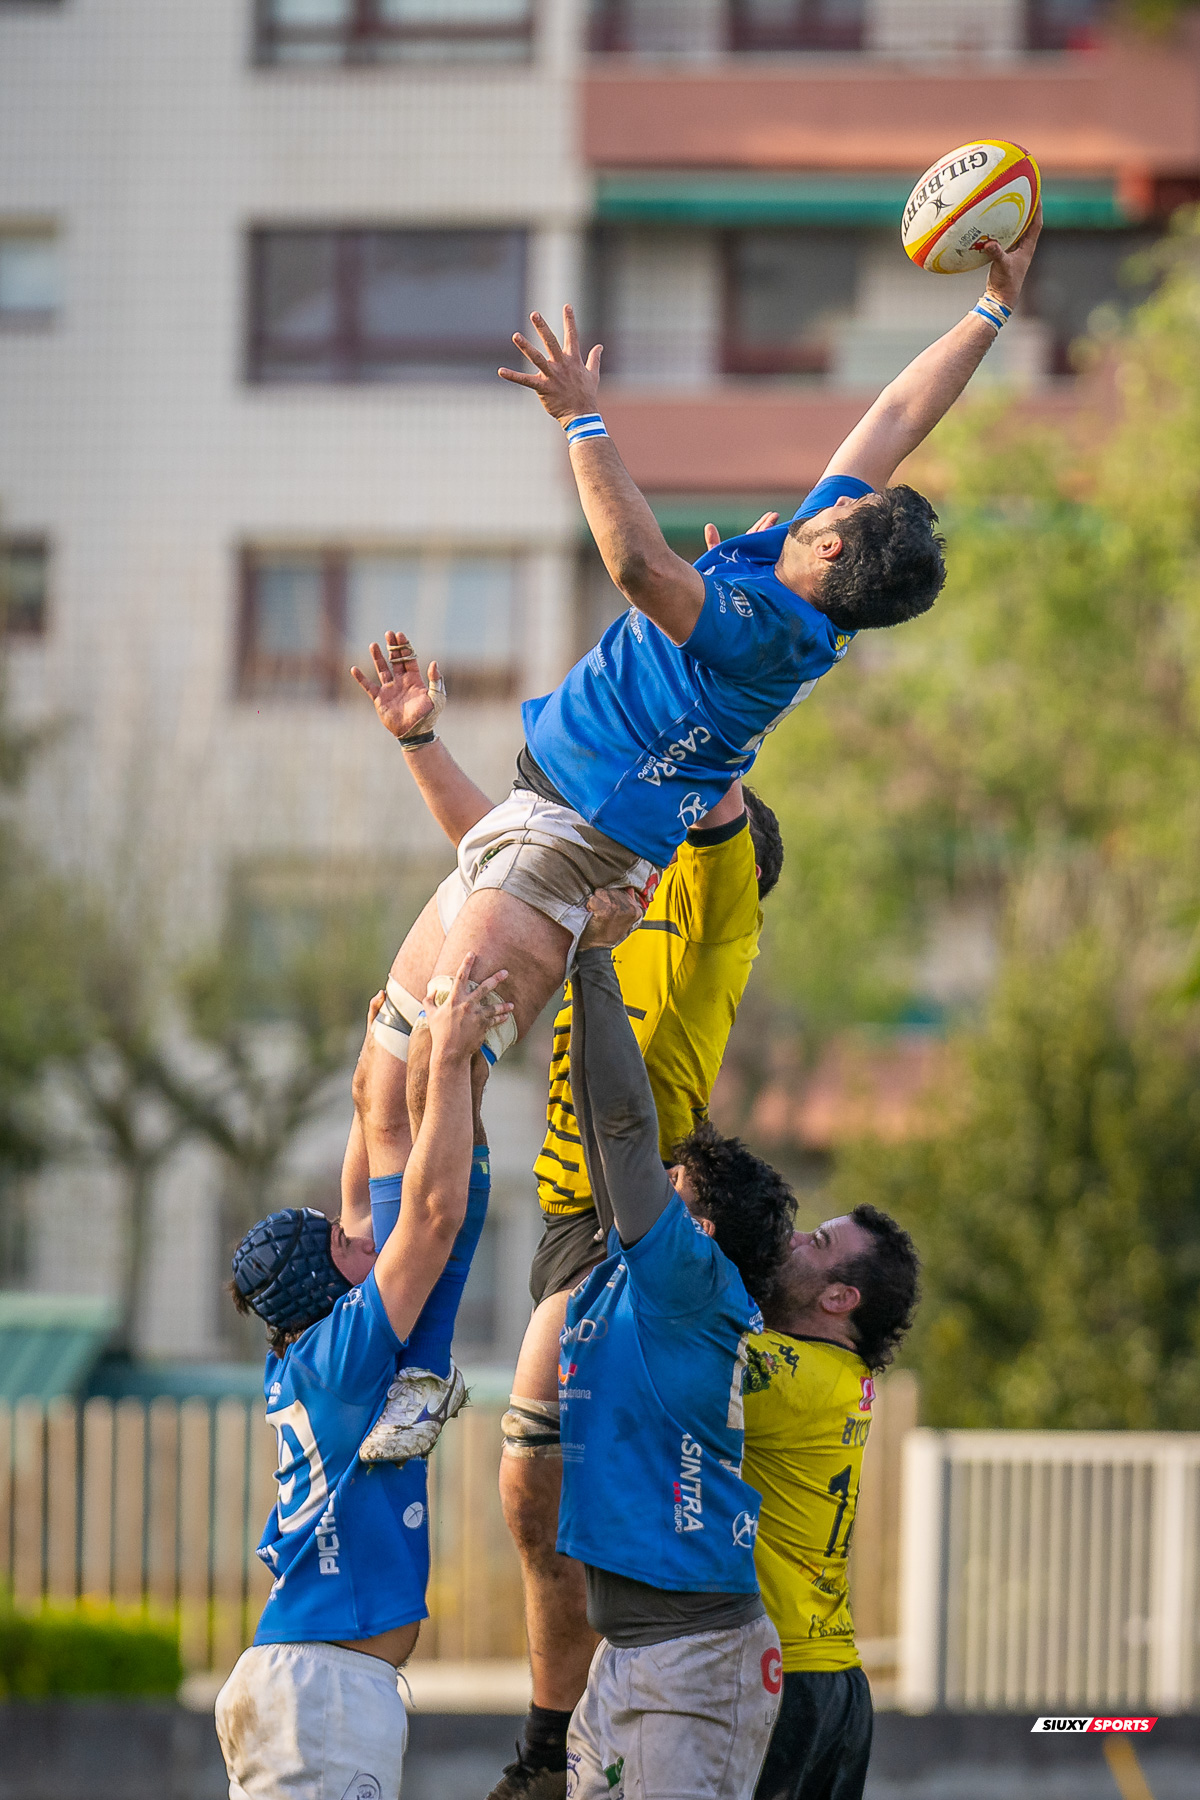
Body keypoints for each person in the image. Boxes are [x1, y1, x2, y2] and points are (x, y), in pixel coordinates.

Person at [346, 213, 1042, 1233]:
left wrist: (582, 419)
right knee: (383, 1081)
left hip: (574, 843)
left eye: (843, 513)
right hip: (536, 815)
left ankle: (408, 1345)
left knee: (437, 1082)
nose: (835, 496)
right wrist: (994, 307)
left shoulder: (767, 627)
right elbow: (898, 412)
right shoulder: (791, 572)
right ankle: (371, 1297)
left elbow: (636, 566)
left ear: (838, 556)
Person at [213, 959, 510, 1800]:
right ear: (329, 1288)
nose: (360, 1238)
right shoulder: (342, 1356)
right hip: (321, 1692)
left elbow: (366, 1192)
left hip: (316, 1681)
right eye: (344, 1247)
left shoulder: (310, 1350)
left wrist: (371, 1069)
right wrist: (447, 1060)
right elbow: (431, 1215)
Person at [552, 887, 798, 1800]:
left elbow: (621, 1127)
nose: (649, 1183)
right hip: (633, 1655)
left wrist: (591, 952)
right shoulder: (644, 1276)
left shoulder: (691, 1282)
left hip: (696, 1662)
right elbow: (598, 1128)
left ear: (705, 1225)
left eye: (674, 1182)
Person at [745, 1207, 920, 1800]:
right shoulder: (836, 1374)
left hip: (784, 1681)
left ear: (840, 1297)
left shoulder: (789, 1374)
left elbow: (669, 1346)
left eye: (815, 1240)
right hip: (834, 1683)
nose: (790, 1237)